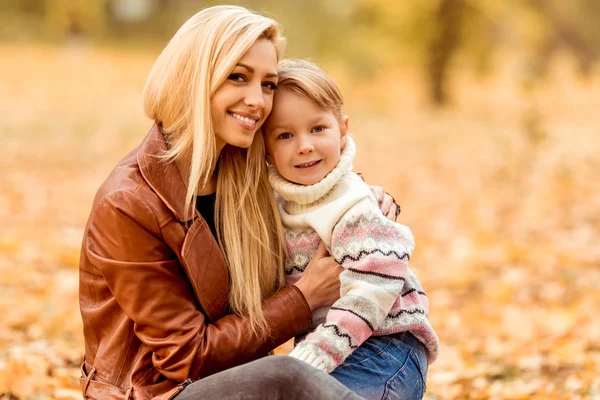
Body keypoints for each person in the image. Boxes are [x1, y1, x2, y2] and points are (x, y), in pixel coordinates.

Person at [78, 5, 399, 400]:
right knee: (287, 376)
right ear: (195, 79)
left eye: (267, 84)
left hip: (239, 382)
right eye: (238, 77)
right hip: (158, 393)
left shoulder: (243, 171)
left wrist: (366, 199)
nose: (257, 100)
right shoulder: (128, 203)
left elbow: (313, 185)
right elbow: (184, 357)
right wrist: (303, 298)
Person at [261, 59, 439, 400]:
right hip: (332, 346)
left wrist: (315, 356)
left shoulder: (353, 204)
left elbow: (376, 287)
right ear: (267, 150)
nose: (305, 145)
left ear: (343, 130)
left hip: (385, 346)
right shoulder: (280, 204)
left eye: (318, 129)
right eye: (285, 135)